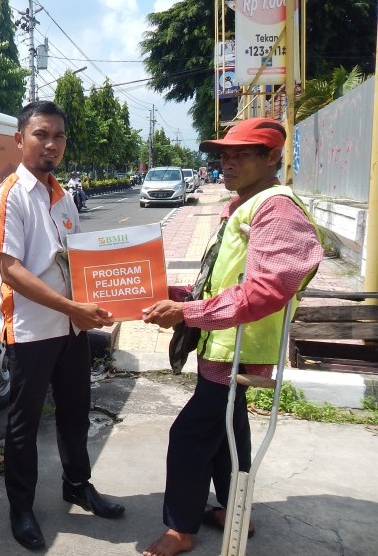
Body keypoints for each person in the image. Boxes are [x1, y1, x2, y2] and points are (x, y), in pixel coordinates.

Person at [140, 118, 323, 556]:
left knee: (188, 437)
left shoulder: (276, 209)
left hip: (239, 350)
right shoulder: (247, 203)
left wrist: (189, 312)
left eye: (243, 154)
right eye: (224, 154)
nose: (228, 162)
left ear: (272, 157)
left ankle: (181, 530)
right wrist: (174, 295)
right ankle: (233, 507)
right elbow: (225, 280)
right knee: (229, 428)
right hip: (224, 347)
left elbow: (266, 289)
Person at [0, 100, 125, 551]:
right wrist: (71, 307)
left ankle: (77, 485)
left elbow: (78, 259)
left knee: (74, 413)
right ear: (20, 139)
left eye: (59, 136)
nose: (51, 144)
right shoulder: (10, 196)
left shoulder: (62, 196)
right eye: (41, 134)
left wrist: (106, 298)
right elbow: (11, 270)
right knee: (24, 425)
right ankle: (21, 509)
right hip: (30, 333)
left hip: (72, 330)